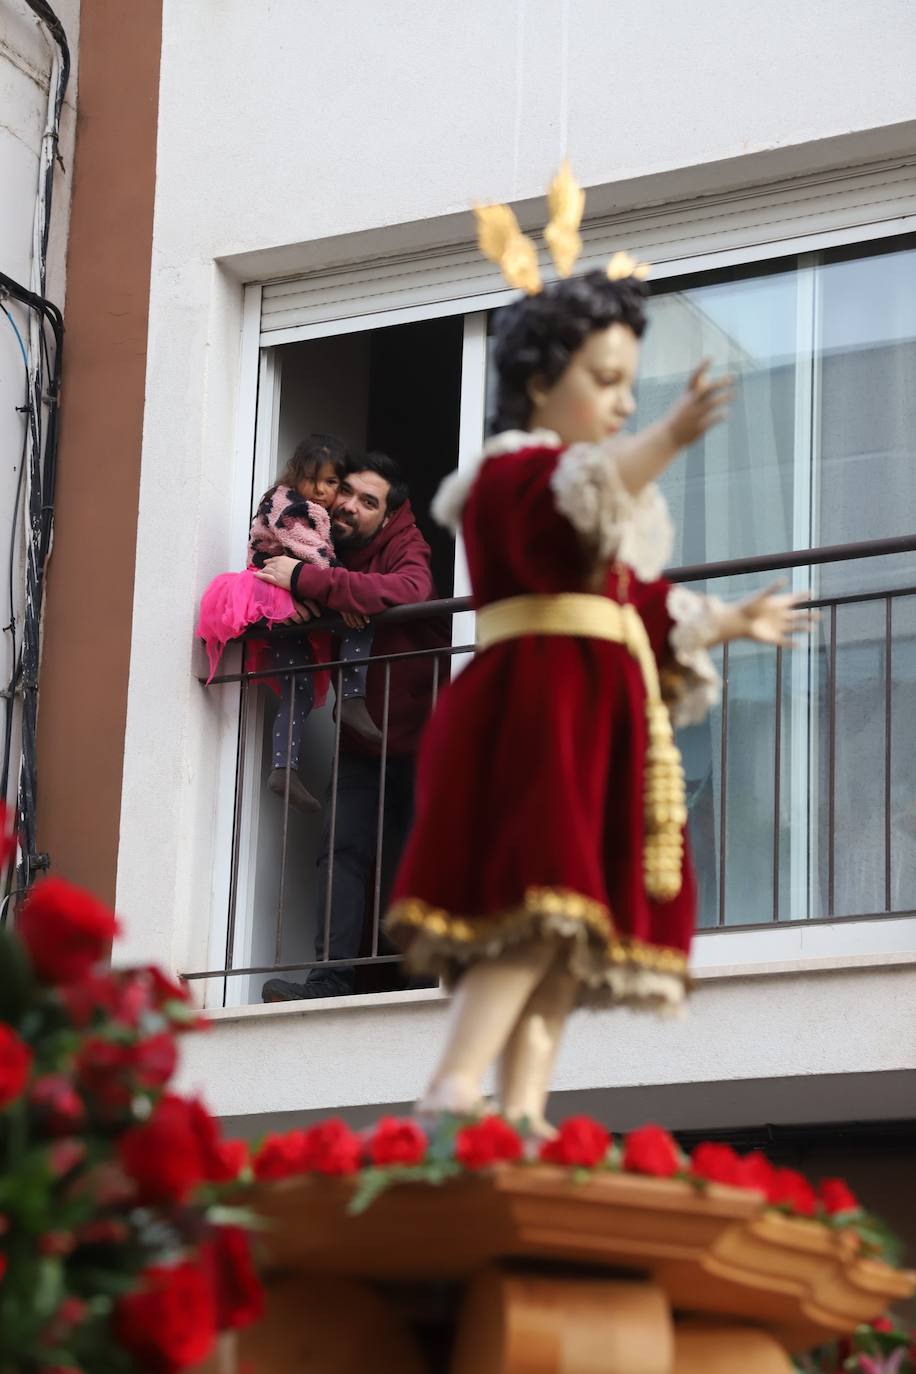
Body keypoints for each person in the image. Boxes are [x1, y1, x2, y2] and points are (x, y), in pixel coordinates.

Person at [379, 208, 813, 1133]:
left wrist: (732, 619)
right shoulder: (511, 480)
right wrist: (667, 441)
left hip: (594, 711)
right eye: (605, 381)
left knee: (565, 944)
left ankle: (524, 1111)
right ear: (540, 380)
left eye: (629, 386)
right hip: (540, 709)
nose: (624, 403)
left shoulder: (589, 492)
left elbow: (636, 603)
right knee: (540, 911)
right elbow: (572, 515)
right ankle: (455, 1087)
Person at [254, 452, 445, 999]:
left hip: (425, 736)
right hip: (363, 737)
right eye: (349, 495)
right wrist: (315, 588)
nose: (353, 508)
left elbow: (408, 590)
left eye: (370, 502)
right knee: (340, 851)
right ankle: (329, 981)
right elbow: (279, 578)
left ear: (388, 516)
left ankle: (426, 985)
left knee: (418, 859)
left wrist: (317, 582)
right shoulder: (316, 538)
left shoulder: (406, 545)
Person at [197, 434, 378, 815]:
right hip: (276, 591)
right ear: (298, 475)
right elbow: (312, 553)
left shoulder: (302, 504)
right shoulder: (290, 504)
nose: (323, 489)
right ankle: (351, 698)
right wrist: (345, 590)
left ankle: (284, 770)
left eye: (332, 483)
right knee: (359, 619)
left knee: (297, 684)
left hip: (288, 590)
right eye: (316, 479)